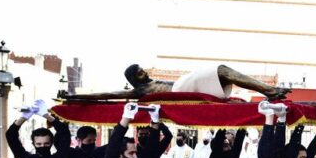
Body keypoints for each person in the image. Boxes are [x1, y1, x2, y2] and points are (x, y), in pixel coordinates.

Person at [65, 63, 290, 101]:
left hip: (186, 85)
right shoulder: (140, 91)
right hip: (183, 89)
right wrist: (73, 96)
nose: (143, 71)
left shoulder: (151, 80)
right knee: (220, 70)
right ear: (134, 79)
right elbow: (105, 95)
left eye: (142, 68)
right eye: (139, 72)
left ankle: (268, 90)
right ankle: (269, 90)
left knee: (223, 71)